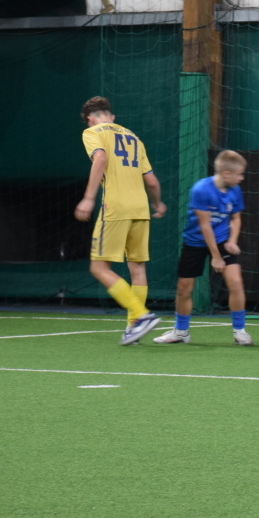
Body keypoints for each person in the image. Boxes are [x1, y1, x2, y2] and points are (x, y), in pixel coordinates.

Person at [74, 96, 166, 345]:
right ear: (112, 117)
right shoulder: (134, 138)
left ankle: (141, 316)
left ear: (90, 119)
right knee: (138, 268)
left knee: (99, 268)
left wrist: (88, 198)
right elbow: (151, 181)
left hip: (115, 207)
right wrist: (158, 204)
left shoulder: (92, 132)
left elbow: (100, 159)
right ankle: (133, 328)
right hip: (140, 208)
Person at [153, 150, 254, 346]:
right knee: (184, 288)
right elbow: (205, 225)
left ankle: (240, 331)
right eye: (239, 174)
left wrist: (232, 241)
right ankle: (181, 332)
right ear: (226, 174)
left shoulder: (235, 190)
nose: (242, 178)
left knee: (235, 282)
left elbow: (236, 218)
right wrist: (216, 257)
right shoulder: (201, 189)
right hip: (196, 241)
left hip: (222, 239)